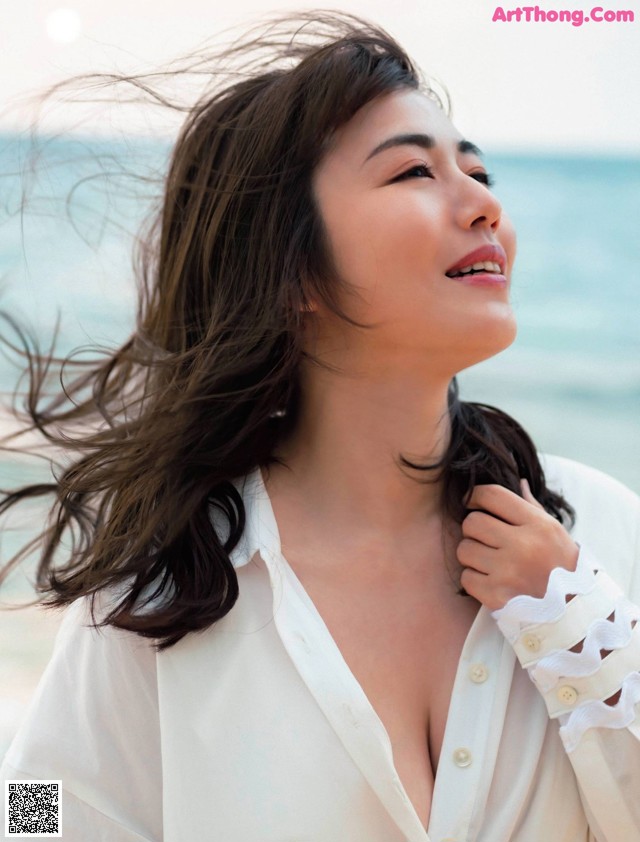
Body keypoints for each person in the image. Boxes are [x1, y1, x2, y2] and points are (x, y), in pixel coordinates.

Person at [1, 10, 639, 842]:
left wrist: (582, 632)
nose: (483, 205)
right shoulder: (169, 591)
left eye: (478, 171)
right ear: (292, 266)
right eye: (415, 172)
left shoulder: (593, 538)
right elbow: (36, 810)